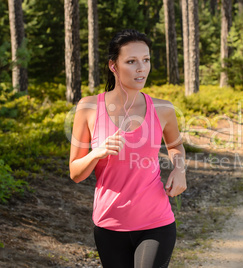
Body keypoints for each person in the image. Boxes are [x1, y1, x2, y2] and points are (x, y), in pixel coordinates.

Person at [69, 29, 187, 268]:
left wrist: (180, 169)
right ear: (114, 66)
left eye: (146, 60)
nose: (141, 68)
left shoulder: (163, 108)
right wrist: (98, 152)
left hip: (156, 221)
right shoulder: (88, 108)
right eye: (131, 62)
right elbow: (75, 173)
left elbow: (175, 146)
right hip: (109, 223)